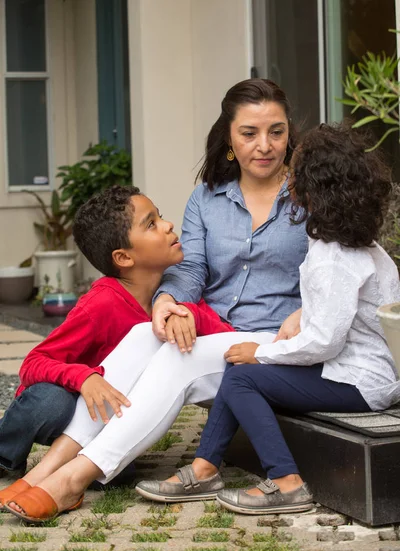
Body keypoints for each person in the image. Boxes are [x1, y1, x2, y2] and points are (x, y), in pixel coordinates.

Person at [2, 78, 309, 522]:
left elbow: (333, 267)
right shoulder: (207, 199)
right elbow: (191, 269)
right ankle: (46, 471)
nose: (264, 145)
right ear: (229, 137)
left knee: (176, 357)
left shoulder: (310, 195)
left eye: (276, 132)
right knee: (145, 332)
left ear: (288, 133)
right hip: (213, 329)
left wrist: (308, 309)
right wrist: (168, 302)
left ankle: (74, 479)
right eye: (249, 133)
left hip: (275, 341)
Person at [135, 122, 400, 514]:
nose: (286, 179)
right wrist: (298, 316)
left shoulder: (332, 258)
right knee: (239, 370)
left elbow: (324, 343)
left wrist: (261, 352)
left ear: (311, 190)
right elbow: (344, 313)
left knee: (242, 376)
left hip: (361, 383)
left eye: (294, 173)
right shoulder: (363, 247)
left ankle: (286, 482)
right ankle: (205, 468)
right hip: (363, 373)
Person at [0, 186, 234, 521]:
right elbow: (34, 362)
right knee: (48, 403)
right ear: (124, 258)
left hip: (110, 412)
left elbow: (221, 339)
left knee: (118, 475)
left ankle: (63, 476)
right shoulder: (102, 303)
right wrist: (84, 378)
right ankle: (7, 456)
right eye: (151, 224)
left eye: (160, 217)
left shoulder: (177, 296)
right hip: (68, 402)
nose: (169, 225)